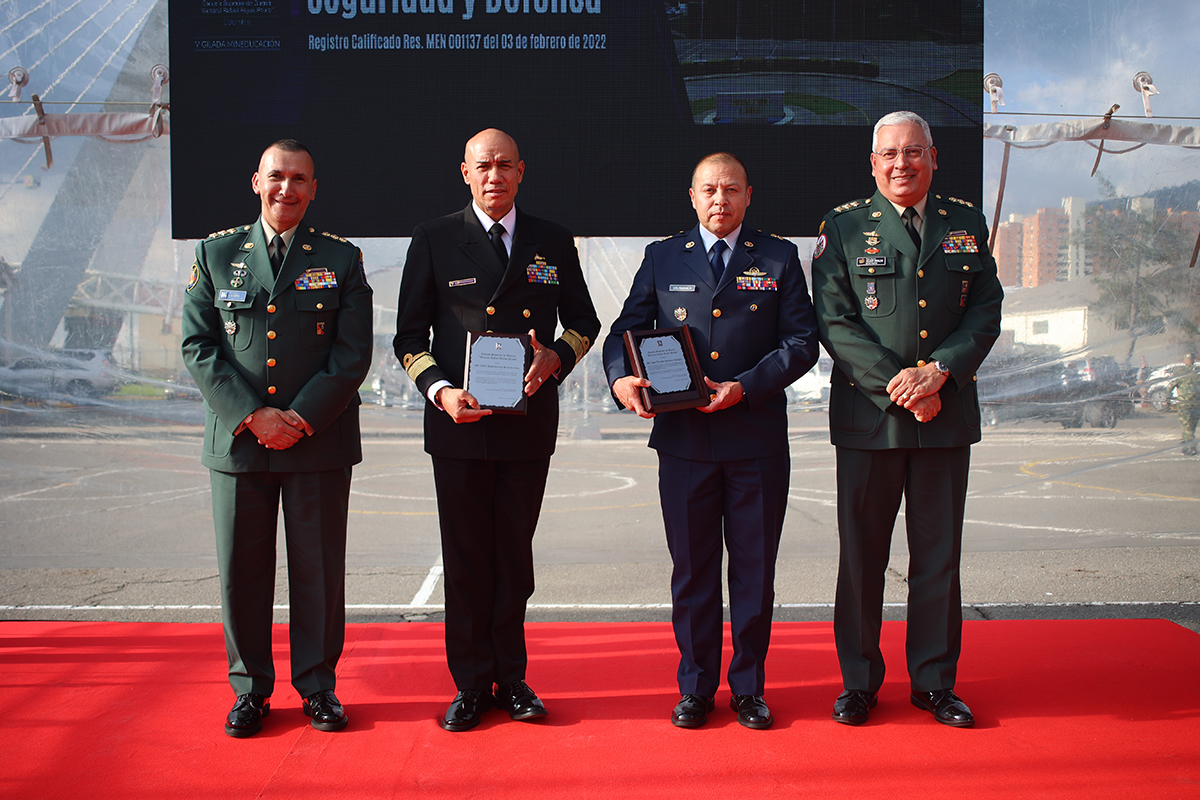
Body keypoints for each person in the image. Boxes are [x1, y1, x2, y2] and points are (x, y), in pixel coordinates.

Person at [393, 128, 600, 732]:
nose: (495, 175)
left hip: (526, 425)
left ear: (521, 171)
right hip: (458, 427)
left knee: (513, 558)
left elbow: (583, 321)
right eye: (484, 165)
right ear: (465, 172)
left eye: (505, 165)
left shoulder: (552, 240)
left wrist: (556, 357)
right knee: (465, 563)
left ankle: (512, 680)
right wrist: (440, 391)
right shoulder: (434, 239)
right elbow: (409, 337)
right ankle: (469, 685)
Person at [603, 153, 818, 730]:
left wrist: (744, 388)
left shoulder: (777, 257)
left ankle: (748, 687)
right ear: (692, 197)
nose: (719, 199)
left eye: (730, 189)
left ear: (749, 195)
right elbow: (626, 329)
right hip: (684, 443)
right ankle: (695, 686)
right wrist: (621, 376)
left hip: (756, 440)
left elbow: (801, 343)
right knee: (693, 570)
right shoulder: (661, 256)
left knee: (754, 569)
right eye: (709, 190)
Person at [810, 111, 1003, 728]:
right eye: (889, 154)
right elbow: (834, 322)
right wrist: (903, 389)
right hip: (871, 422)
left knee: (939, 557)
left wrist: (940, 372)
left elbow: (987, 309)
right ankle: (860, 683)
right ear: (873, 163)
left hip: (944, 417)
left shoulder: (966, 223)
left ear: (933, 157)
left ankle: (935, 683)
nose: (902, 163)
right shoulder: (841, 229)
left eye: (913, 152)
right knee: (861, 558)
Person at [181, 139, 374, 738]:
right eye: (276, 177)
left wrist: (299, 418)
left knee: (318, 570)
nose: (286, 189)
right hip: (239, 443)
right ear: (256, 181)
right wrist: (252, 416)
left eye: (299, 179)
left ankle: (318, 687)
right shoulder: (216, 254)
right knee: (242, 571)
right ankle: (250, 690)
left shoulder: (341, 258)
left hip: (318, 441)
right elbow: (198, 345)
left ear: (314, 189)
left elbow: (352, 352)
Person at [1172, 353, 1199, 455]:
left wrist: (1167, 398)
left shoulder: (1181, 373)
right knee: (1191, 426)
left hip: (1184, 405)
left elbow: (1170, 386)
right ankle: (1186, 444)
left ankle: (1191, 447)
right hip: (1196, 404)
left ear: (1184, 361)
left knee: (1187, 428)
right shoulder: (1198, 372)